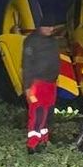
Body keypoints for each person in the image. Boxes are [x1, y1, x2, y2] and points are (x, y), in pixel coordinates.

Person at [21, 16, 60, 154]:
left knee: (48, 112)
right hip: (36, 84)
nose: (50, 29)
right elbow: (26, 65)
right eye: (47, 27)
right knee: (37, 113)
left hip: (51, 83)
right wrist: (27, 87)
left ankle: (44, 139)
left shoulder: (53, 41)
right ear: (40, 27)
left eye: (52, 27)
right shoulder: (31, 41)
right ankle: (32, 144)